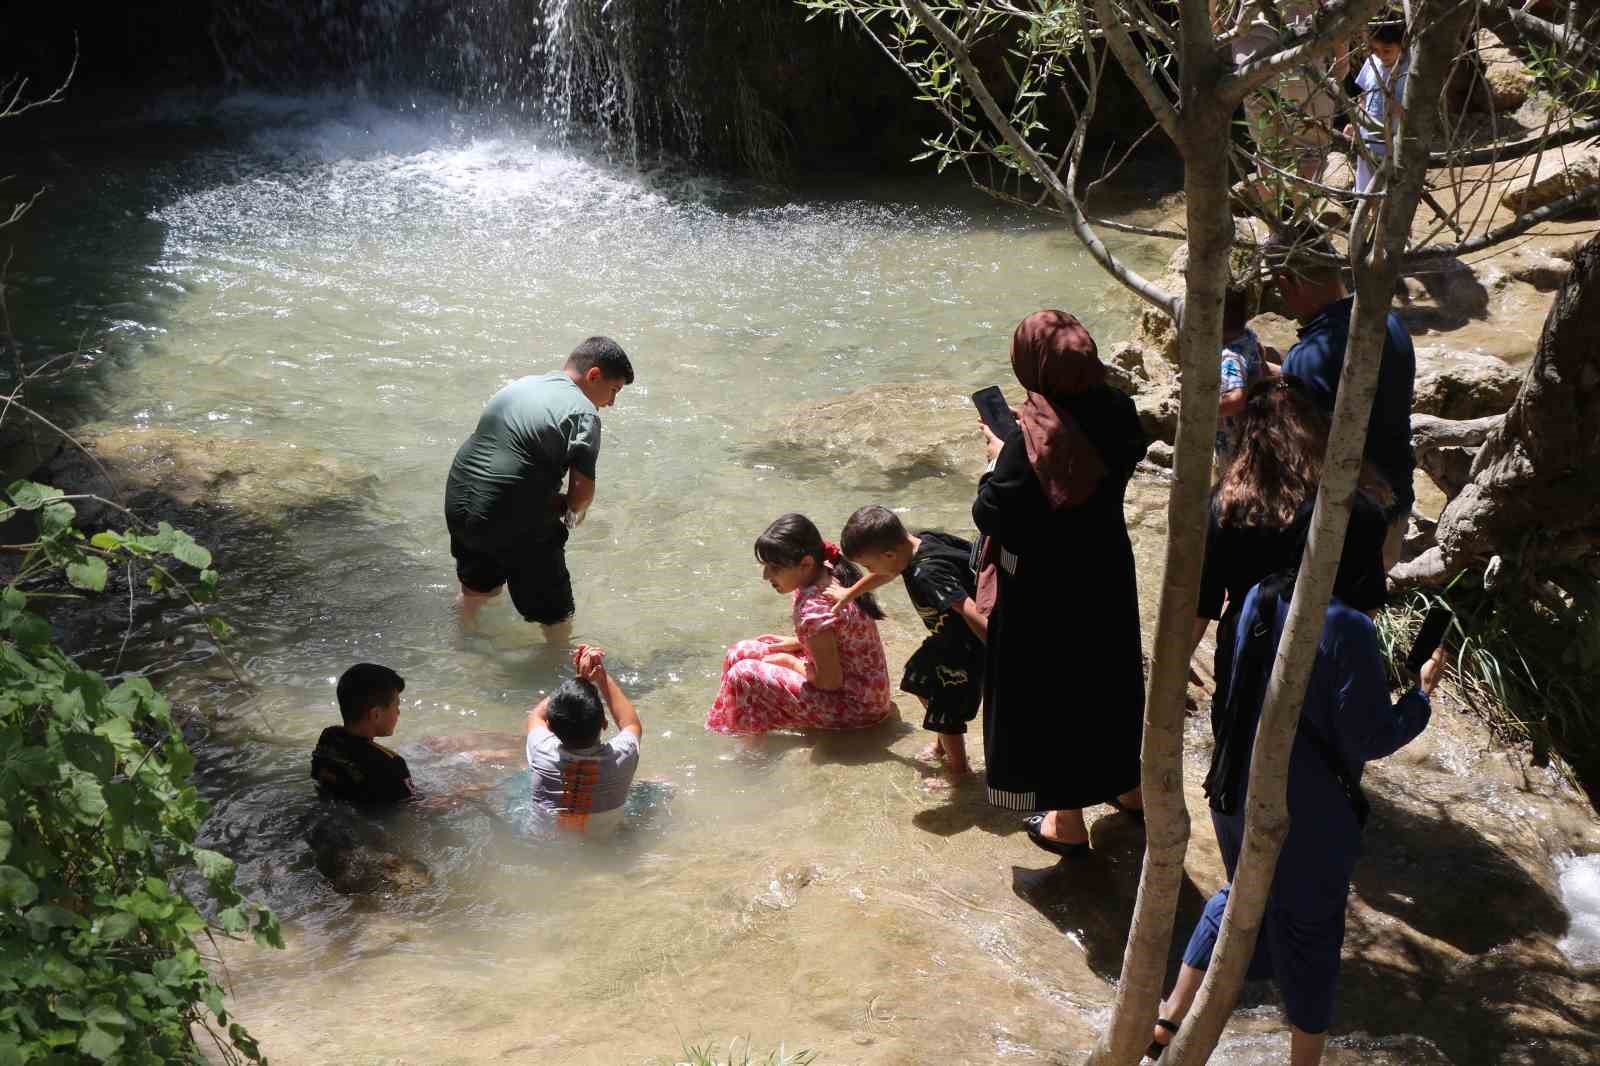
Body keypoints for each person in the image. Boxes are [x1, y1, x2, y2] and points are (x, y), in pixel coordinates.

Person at [1148, 502, 1448, 1065]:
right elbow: (1370, 737)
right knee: (1312, 935)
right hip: (1304, 812)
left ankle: (1166, 1025)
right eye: (1389, 542)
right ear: (1358, 551)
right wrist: (1421, 696)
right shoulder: (1346, 626)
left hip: (1233, 789)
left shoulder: (1259, 593)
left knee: (1240, 898)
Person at [972, 310, 1148, 857]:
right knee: (1108, 681)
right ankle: (1131, 789)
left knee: (1055, 696)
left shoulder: (1028, 444)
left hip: (1045, 591)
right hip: (1105, 571)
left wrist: (994, 458)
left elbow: (994, 515)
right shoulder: (1119, 408)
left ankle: (1065, 822)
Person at [444, 336, 635, 637]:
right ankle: (556, 665)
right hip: (509, 515)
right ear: (594, 375)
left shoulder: (522, 385)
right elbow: (581, 494)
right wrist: (571, 516)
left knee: (478, 590)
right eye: (614, 391)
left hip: (460, 500)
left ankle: (462, 646)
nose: (611, 403)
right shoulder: (583, 411)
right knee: (556, 617)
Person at [1273, 237, 1416, 568]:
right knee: (1362, 617)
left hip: (1342, 525)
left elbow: (1299, 452)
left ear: (1286, 281)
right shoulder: (1389, 320)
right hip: (1395, 503)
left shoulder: (1307, 356)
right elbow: (1352, 388)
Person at [834, 505, 987, 786]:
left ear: (889, 554)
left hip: (967, 648)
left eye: (868, 565)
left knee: (945, 708)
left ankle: (958, 770)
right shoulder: (920, 541)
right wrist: (848, 594)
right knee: (916, 679)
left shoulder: (927, 573)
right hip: (947, 639)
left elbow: (970, 611)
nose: (869, 571)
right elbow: (887, 573)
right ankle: (944, 743)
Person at [706, 513, 893, 735]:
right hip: (863, 689)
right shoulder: (826, 569)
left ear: (805, 564)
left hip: (858, 708)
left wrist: (791, 663)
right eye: (765, 566)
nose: (766, 576)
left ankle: (746, 746)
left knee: (742, 675)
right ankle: (737, 726)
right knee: (739, 652)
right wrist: (799, 642)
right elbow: (839, 635)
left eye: (774, 567)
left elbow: (830, 681)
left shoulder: (814, 610)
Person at [525, 643, 642, 834]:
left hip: (545, 839)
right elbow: (631, 724)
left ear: (550, 729)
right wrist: (601, 676)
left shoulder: (541, 752)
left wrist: (580, 679)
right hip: (605, 842)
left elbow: (536, 715)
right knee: (658, 783)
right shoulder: (623, 757)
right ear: (604, 724)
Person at [312, 663, 416, 804]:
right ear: (376, 715)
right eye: (396, 706)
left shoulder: (329, 736)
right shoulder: (391, 764)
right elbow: (411, 811)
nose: (398, 712)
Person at [1346, 21, 1409, 194]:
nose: (1381, 55)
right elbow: (1364, 96)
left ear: (1402, 44)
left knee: (1387, 193)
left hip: (1392, 146)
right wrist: (1356, 124)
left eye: (1387, 50)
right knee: (1367, 192)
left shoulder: (1409, 70)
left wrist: (1395, 106)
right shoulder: (1372, 62)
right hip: (1367, 143)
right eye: (1375, 50)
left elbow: (1412, 114)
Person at [1215, 284, 1269, 463]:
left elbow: (1235, 399)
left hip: (1233, 438)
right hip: (1254, 426)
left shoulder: (1229, 356)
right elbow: (1262, 361)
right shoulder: (1249, 336)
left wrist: (1202, 410)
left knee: (1228, 477)